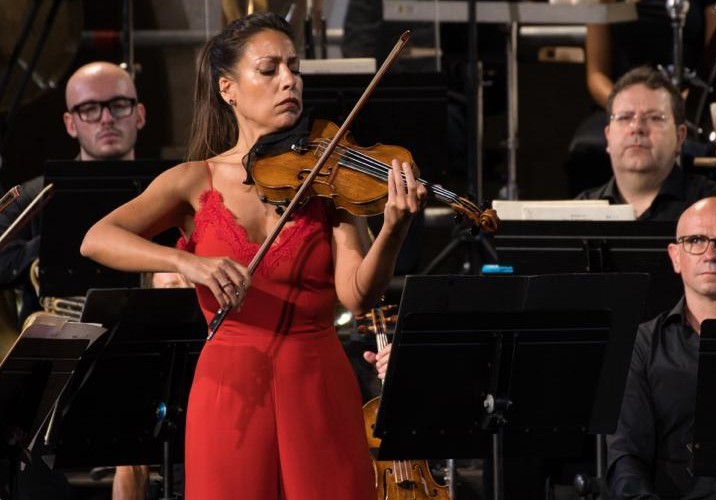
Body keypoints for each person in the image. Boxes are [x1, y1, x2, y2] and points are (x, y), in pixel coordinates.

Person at [80, 12, 427, 500]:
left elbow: (358, 293)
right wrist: (186, 262)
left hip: (319, 382)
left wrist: (394, 227)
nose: (289, 81)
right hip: (230, 389)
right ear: (228, 89)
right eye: (269, 70)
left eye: (294, 67)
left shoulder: (330, 177)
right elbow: (97, 237)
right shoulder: (193, 180)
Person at [606, 196, 716, 499]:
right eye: (696, 240)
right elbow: (626, 457)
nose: (711, 254)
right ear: (675, 257)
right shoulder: (641, 345)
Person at [0, 61, 146, 328]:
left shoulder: (171, 189)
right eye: (89, 109)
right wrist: (57, 244)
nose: (106, 118)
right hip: (58, 353)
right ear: (70, 123)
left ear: (139, 115)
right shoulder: (35, 196)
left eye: (119, 105)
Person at [566, 0, 716, 196]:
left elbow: (715, 63)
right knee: (585, 151)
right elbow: (596, 75)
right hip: (618, 101)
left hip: (686, 104)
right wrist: (624, 110)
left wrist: (679, 103)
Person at [575, 66, 716, 221]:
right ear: (608, 136)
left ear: (680, 136)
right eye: (625, 117)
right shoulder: (578, 213)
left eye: (654, 118)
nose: (637, 127)